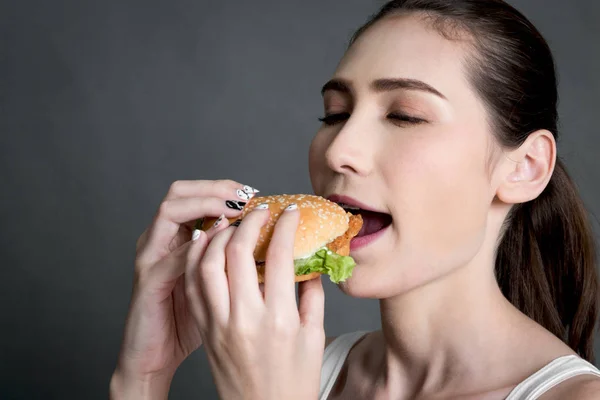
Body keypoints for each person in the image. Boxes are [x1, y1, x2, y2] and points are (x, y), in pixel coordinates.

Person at [109, 1, 600, 399]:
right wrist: (145, 376)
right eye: (334, 114)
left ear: (524, 167)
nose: (340, 151)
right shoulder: (300, 371)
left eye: (405, 115)